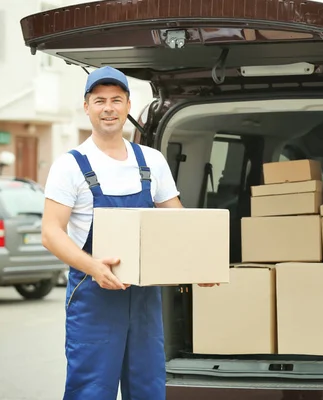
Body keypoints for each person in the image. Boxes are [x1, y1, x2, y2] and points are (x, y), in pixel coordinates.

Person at [41, 66, 214, 400]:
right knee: (91, 390)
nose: (109, 108)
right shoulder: (70, 165)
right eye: (100, 100)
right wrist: (95, 267)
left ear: (128, 105)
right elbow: (51, 232)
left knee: (148, 387)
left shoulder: (151, 161)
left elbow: (176, 222)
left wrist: (198, 266)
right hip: (93, 296)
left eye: (116, 100)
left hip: (144, 297)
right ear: (87, 106)